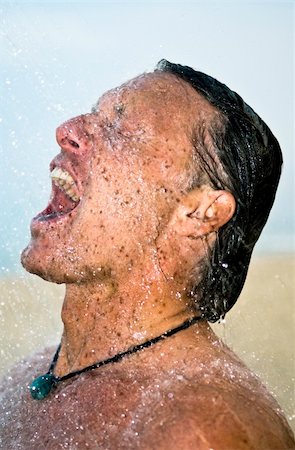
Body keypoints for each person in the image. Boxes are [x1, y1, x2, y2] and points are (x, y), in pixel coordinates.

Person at [0, 60, 294, 450]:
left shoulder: (203, 430)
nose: (66, 130)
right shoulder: (28, 374)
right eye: (93, 114)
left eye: (121, 129)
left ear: (200, 213)